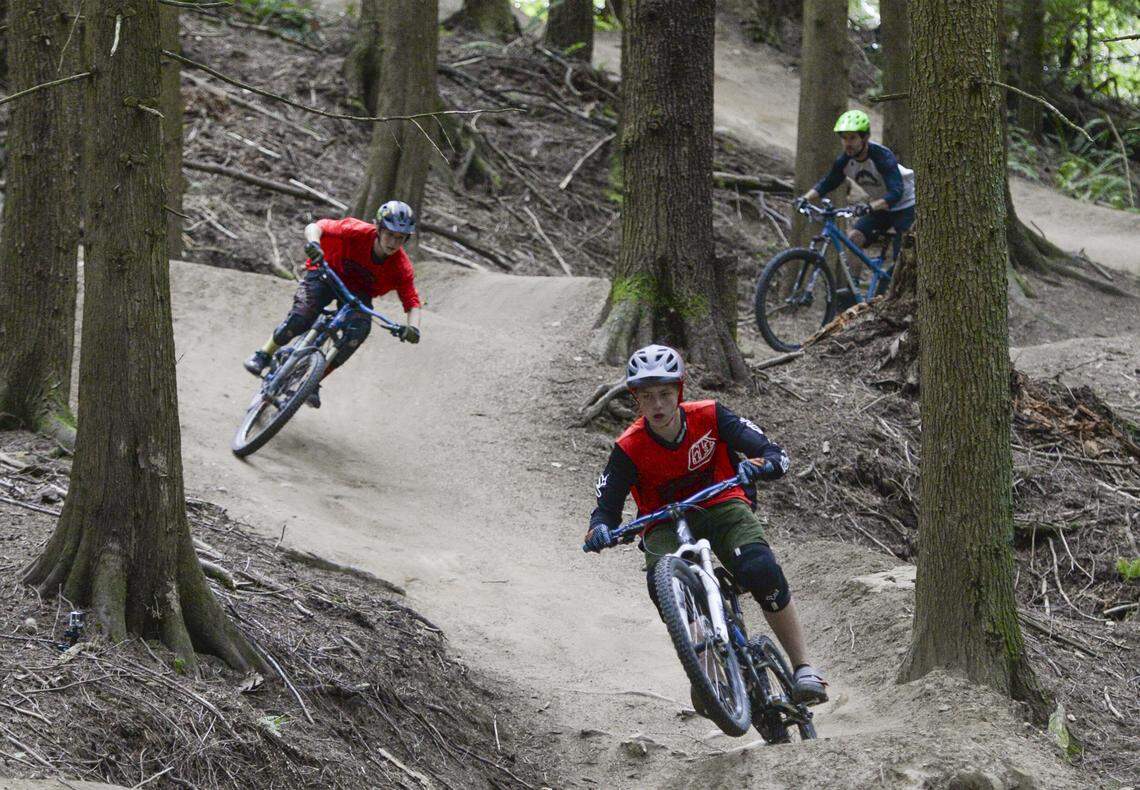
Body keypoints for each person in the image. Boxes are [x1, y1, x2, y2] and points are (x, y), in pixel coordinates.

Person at [583, 344, 828, 707]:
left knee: (760, 569)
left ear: (679, 392)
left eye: (665, 394)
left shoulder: (711, 416)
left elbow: (772, 452)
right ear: (636, 399)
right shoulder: (628, 448)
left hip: (722, 505)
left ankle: (803, 668)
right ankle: (709, 671)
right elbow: (605, 510)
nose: (658, 406)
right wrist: (600, 530)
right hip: (663, 523)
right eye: (647, 397)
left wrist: (761, 465)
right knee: (663, 585)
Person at [243, 200, 423, 408]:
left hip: (358, 294)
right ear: (379, 229)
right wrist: (314, 244)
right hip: (326, 272)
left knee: (358, 331)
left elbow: (412, 301)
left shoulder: (401, 267)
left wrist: (413, 328)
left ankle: (313, 380)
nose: (393, 242)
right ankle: (264, 354)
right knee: (302, 316)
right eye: (390, 234)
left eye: (400, 238)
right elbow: (316, 226)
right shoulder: (356, 230)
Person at [798, 109, 915, 259]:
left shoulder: (882, 157)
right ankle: (852, 282)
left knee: (903, 257)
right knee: (854, 239)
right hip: (882, 207)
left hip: (906, 206)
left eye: (852, 138)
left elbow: (896, 192)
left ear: (864, 137)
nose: (848, 144)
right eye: (844, 138)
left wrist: (869, 207)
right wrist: (805, 199)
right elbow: (828, 182)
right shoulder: (845, 160)